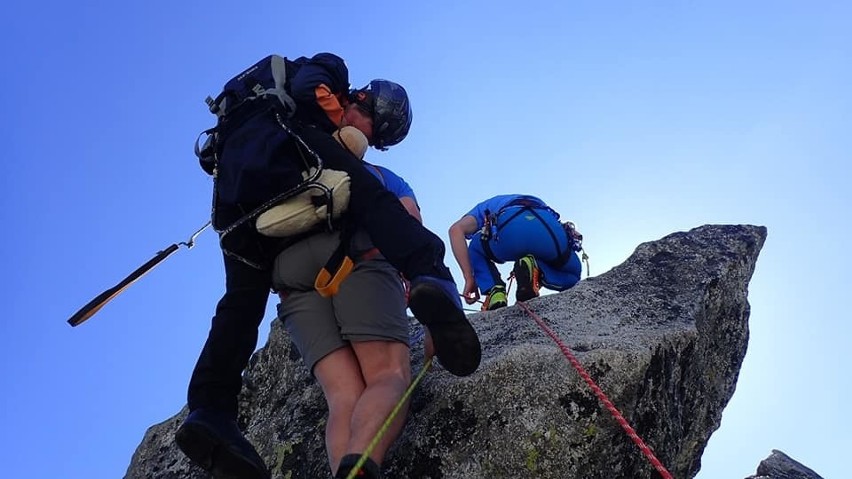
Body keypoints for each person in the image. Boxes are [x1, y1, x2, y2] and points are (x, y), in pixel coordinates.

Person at [175, 53, 480, 479]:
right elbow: (403, 216)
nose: (368, 139)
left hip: (254, 224)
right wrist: (431, 308)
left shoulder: (253, 128)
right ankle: (436, 278)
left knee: (249, 311)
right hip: (353, 255)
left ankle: (210, 409)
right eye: (374, 130)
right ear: (371, 103)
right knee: (388, 373)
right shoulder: (330, 98)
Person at [273, 129, 418, 478]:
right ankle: (358, 468)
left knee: (343, 396)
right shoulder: (381, 176)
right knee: (387, 374)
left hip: (288, 272)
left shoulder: (288, 175)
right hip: (355, 252)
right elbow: (408, 222)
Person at [448, 194, 583, 311]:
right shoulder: (535, 199)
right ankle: (538, 269)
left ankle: (495, 290)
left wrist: (469, 278)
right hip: (548, 229)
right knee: (573, 274)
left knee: (475, 248)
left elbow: (456, 230)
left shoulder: (484, 206)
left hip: (511, 228)